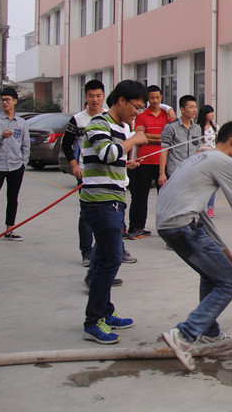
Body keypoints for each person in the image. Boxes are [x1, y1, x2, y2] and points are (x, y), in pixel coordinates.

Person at [157, 122, 232, 371]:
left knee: (211, 275)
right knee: (231, 281)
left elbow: (199, 211)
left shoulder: (201, 157)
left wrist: (223, 248)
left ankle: (209, 331)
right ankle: (184, 334)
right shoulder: (226, 163)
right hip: (183, 225)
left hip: (168, 225)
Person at [80, 80, 148, 344]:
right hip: (100, 202)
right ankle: (93, 321)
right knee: (110, 260)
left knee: (103, 259)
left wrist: (126, 162)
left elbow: (111, 159)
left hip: (114, 200)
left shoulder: (120, 127)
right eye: (136, 107)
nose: (137, 113)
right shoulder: (99, 123)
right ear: (121, 100)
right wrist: (135, 140)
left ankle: (105, 312)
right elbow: (107, 154)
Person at [62, 80, 137, 267]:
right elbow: (69, 144)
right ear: (85, 97)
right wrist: (74, 165)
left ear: (104, 96)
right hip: (91, 177)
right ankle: (88, 251)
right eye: (91, 96)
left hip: (115, 181)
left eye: (98, 96)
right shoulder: (86, 120)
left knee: (112, 228)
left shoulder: (119, 122)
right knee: (91, 219)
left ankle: (114, 251)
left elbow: (116, 152)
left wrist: (125, 163)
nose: (95, 100)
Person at [0, 87, 30, 241]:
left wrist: (23, 163)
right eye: (2, 100)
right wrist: (0, 136)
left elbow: (26, 146)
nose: (4, 103)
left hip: (16, 165)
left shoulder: (22, 123)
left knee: (12, 198)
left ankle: (10, 229)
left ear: (15, 101)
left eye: (7, 100)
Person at [127, 85, 172, 239]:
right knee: (139, 196)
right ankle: (136, 227)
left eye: (157, 97)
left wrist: (149, 136)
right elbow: (140, 137)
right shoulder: (141, 116)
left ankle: (166, 228)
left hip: (163, 162)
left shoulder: (167, 116)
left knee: (165, 197)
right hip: (143, 161)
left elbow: (168, 138)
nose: (155, 100)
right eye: (152, 98)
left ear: (161, 98)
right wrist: (159, 138)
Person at [159, 95, 202, 187]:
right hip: (176, 170)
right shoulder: (171, 127)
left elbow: (197, 150)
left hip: (192, 171)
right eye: (191, 107)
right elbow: (164, 150)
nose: (195, 110)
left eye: (196, 107)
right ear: (182, 109)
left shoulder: (197, 128)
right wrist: (162, 174)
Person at [196, 105, 219, 217]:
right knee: (200, 183)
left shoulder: (215, 127)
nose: (212, 115)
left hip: (212, 157)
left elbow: (219, 142)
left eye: (212, 112)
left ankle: (210, 207)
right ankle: (199, 206)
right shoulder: (197, 127)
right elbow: (196, 144)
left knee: (212, 182)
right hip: (200, 157)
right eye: (210, 113)